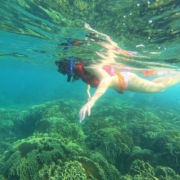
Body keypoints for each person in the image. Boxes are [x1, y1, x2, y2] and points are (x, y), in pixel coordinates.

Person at [56, 24, 180, 122]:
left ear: (69, 64)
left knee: (160, 88)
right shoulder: (81, 69)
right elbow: (89, 78)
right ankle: (172, 75)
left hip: (126, 80)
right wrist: (88, 91)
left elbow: (106, 79)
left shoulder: (88, 65)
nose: (64, 72)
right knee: (154, 84)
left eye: (64, 69)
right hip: (123, 81)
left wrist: (92, 101)